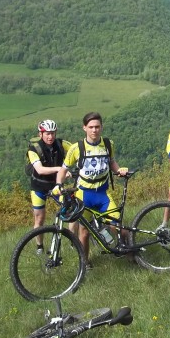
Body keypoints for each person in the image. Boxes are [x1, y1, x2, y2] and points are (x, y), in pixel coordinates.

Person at [53, 112, 129, 269]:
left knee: (118, 226)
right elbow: (63, 170)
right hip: (84, 195)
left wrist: (118, 170)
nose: (94, 130)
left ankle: (132, 254)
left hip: (103, 193)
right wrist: (58, 185)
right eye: (91, 127)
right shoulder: (76, 148)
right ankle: (85, 262)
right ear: (84, 128)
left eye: (97, 127)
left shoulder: (108, 144)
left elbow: (112, 162)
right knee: (84, 232)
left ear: (101, 127)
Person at [27, 119, 71, 253]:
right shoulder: (34, 149)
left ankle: (73, 243)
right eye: (47, 133)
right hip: (39, 187)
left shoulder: (61, 144)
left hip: (56, 185)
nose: (50, 136)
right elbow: (40, 170)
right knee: (39, 218)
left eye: (52, 133)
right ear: (40, 134)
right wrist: (61, 169)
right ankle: (40, 247)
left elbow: (78, 150)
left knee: (71, 212)